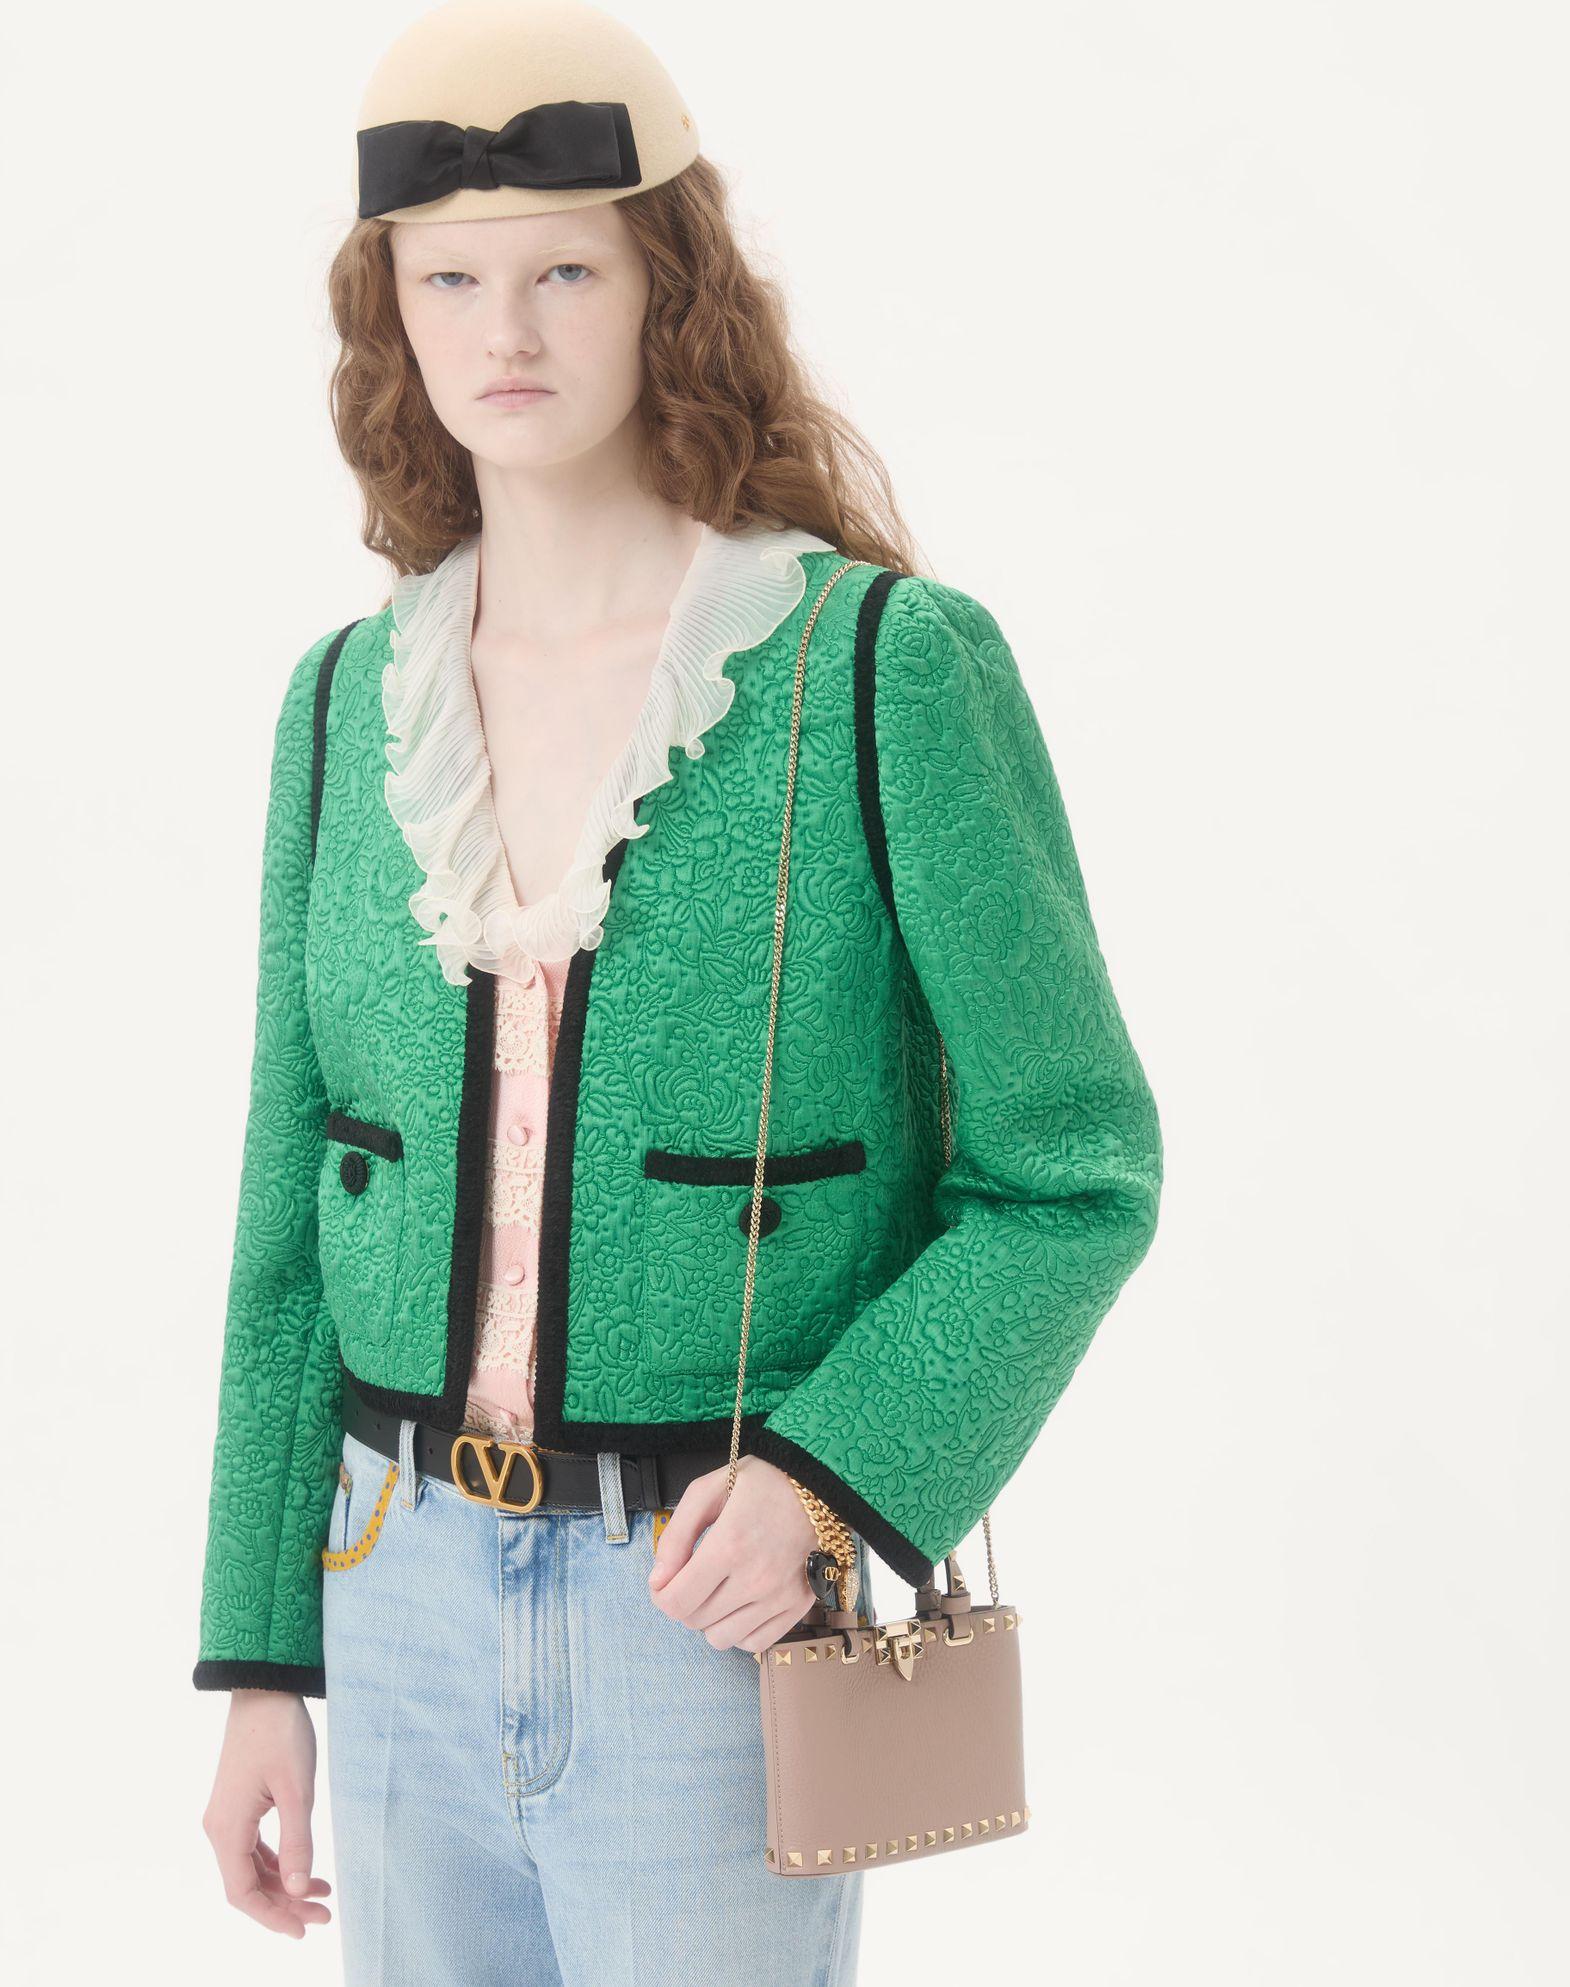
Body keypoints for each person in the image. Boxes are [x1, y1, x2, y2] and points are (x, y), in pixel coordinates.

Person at [192, 2, 1164, 1980]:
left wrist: (828, 1482)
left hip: (705, 1604)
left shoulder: (879, 667)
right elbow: (293, 1218)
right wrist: (262, 1659)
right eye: (447, 277)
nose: (505, 328)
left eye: (564, 269)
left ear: (667, 287)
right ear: (389, 312)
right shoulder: (342, 704)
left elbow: (1072, 1172)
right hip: (386, 1578)